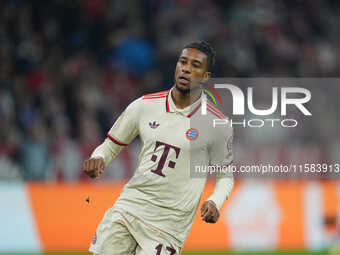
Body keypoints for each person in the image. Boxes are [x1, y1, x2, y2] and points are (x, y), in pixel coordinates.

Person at [83, 41, 234, 255]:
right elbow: (110, 146)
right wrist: (98, 157)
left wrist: (215, 202)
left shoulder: (217, 123)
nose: (186, 69)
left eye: (195, 65)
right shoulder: (144, 105)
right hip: (128, 209)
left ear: (206, 76)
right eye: (183, 62)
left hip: (168, 228)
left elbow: (225, 176)